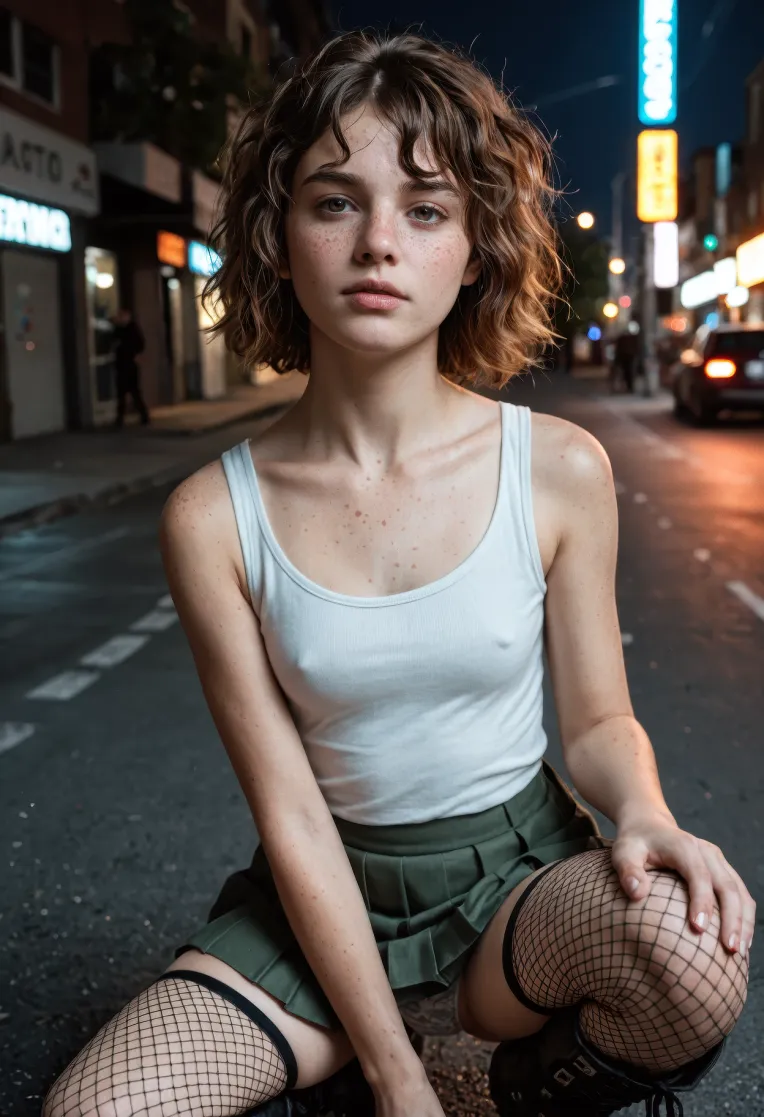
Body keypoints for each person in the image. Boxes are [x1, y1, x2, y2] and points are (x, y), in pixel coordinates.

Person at [43, 30, 752, 1117]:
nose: (378, 241)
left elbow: (598, 720)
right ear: (281, 235)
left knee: (687, 954)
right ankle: (376, 1046)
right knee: (92, 1110)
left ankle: (505, 1079)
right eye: (334, 202)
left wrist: (645, 811)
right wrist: (391, 1073)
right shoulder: (209, 516)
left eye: (424, 210)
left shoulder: (556, 467)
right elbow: (288, 813)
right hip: (318, 897)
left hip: (516, 878)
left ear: (473, 249)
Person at [111, 307, 150, 428]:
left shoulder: (133, 328)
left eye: (123, 315)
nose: (121, 318)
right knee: (121, 394)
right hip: (121, 365)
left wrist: (135, 354)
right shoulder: (118, 329)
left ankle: (144, 416)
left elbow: (140, 344)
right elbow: (112, 341)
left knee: (135, 392)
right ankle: (120, 419)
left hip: (130, 365)